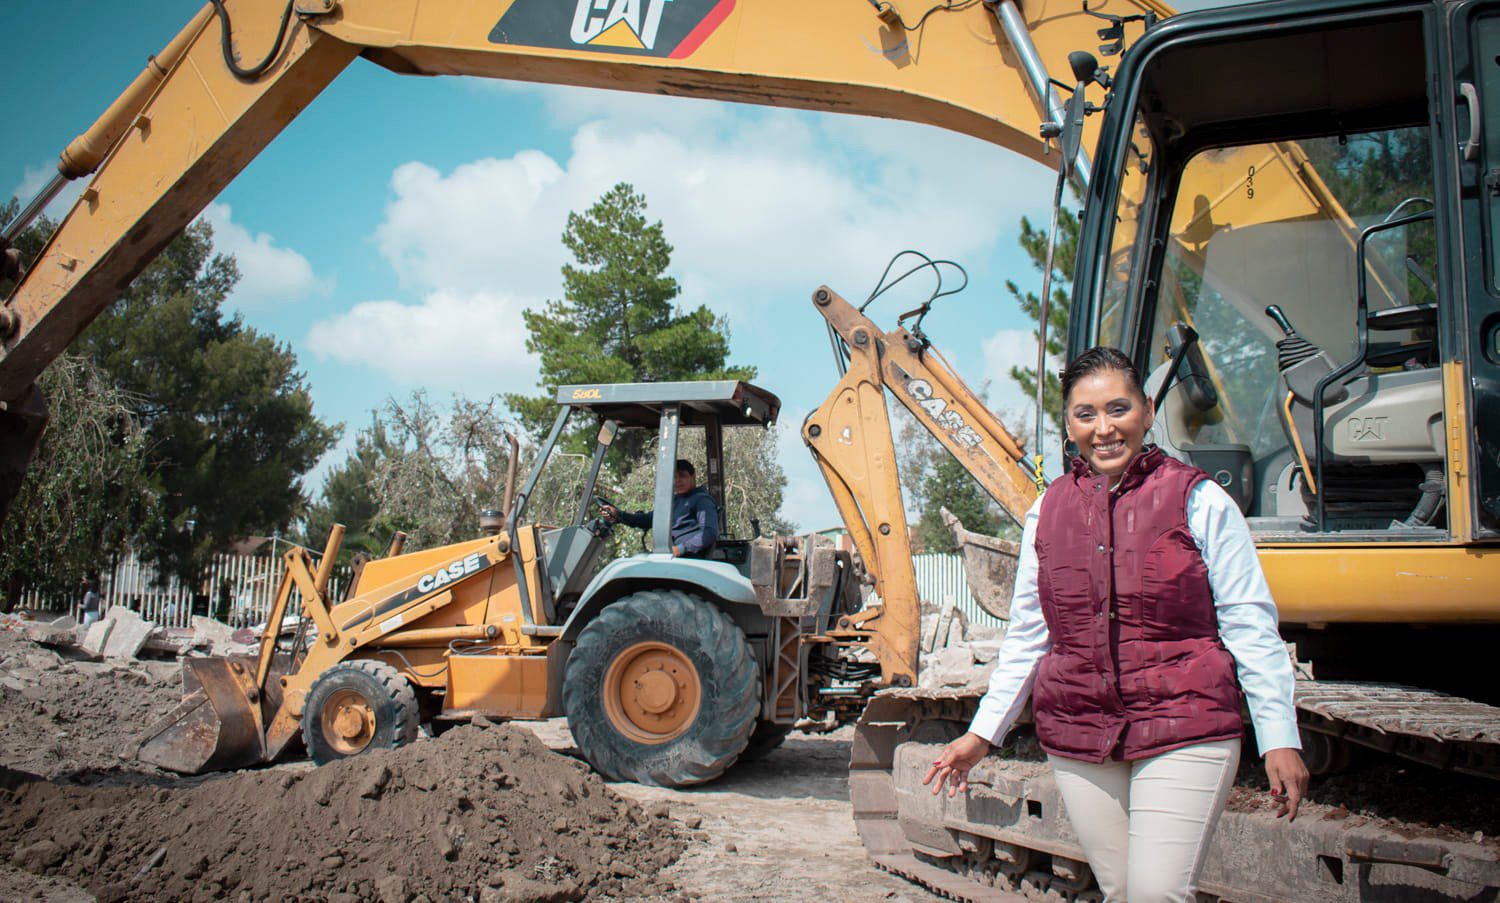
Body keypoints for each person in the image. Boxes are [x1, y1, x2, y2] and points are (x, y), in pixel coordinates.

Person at [924, 347, 1309, 903]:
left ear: (1148, 412)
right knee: (1124, 890)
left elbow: (1250, 626)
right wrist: (983, 735)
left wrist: (1279, 737)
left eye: (1118, 409)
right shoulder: (1047, 510)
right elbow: (1029, 638)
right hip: (1079, 732)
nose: (1103, 429)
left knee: (1156, 893)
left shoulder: (1199, 500)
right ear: (1068, 423)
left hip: (1185, 723)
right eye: (1086, 414)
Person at [601, 459, 719, 558]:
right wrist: (619, 515)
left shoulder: (702, 500)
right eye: (674, 477)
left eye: (682, 476)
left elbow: (709, 532)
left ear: (693, 477)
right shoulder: (674, 502)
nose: (677, 480)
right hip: (673, 556)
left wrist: (681, 549)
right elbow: (648, 519)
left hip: (688, 557)